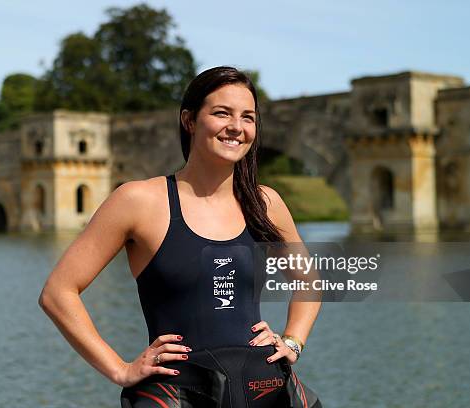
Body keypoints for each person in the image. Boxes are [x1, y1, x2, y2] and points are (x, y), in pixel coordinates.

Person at [39, 66, 322, 407]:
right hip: (177, 396)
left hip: (264, 390)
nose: (236, 127)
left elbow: (309, 280)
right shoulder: (138, 201)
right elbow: (58, 292)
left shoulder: (266, 203)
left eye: (248, 117)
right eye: (222, 113)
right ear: (189, 121)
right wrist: (119, 369)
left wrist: (293, 340)